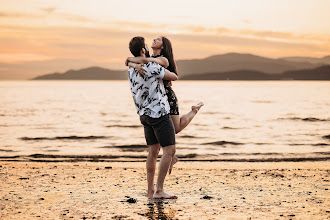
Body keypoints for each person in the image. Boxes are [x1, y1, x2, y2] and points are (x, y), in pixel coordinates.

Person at [126, 36, 204, 175]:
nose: (155, 39)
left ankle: (194, 111)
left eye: (159, 39)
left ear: (163, 46)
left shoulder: (163, 59)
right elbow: (127, 60)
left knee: (175, 129)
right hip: (158, 98)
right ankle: (171, 156)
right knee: (168, 130)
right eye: (154, 38)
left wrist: (136, 63)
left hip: (167, 96)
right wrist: (134, 64)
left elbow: (138, 60)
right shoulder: (149, 58)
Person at [127, 36, 179, 199]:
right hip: (159, 113)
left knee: (152, 152)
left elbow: (129, 62)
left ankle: (150, 190)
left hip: (144, 115)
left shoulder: (131, 68)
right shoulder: (152, 67)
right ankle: (159, 190)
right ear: (143, 50)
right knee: (169, 150)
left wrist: (133, 62)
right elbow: (173, 76)